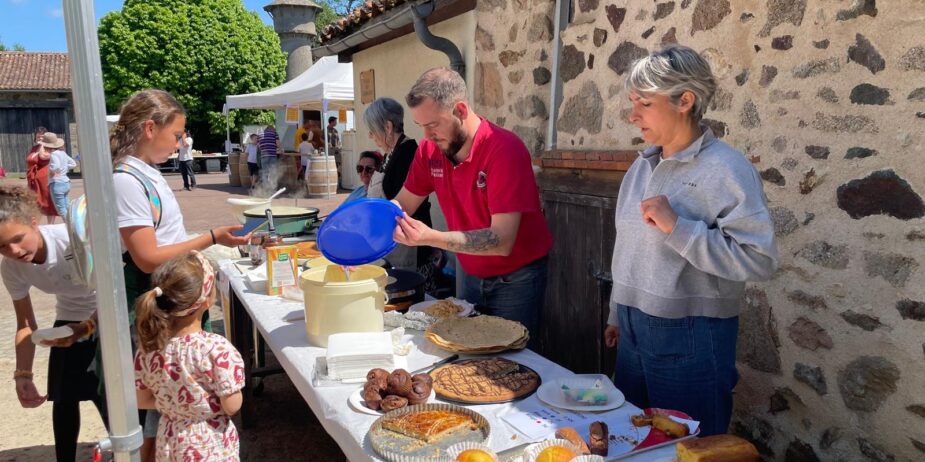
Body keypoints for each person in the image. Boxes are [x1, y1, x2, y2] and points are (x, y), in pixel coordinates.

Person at [604, 45, 778, 436]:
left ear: (686, 100)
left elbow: (759, 259)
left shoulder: (728, 168)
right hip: (631, 331)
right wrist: (619, 310)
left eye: (644, 104)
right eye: (633, 103)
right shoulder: (641, 165)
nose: (633, 115)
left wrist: (678, 227)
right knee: (631, 438)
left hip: (692, 335)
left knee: (690, 448)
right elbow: (627, 245)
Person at [109, 89, 250, 460]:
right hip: (157, 291)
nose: (180, 143)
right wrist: (212, 237)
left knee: (170, 383)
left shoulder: (146, 173)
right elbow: (147, 256)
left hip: (173, 290)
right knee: (159, 397)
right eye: (176, 136)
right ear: (150, 128)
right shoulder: (126, 180)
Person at [392, 68, 553, 347]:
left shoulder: (504, 149)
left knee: (511, 360)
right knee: (465, 351)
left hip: (516, 277)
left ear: (461, 110)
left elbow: (501, 240)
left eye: (433, 124)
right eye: (421, 127)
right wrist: (368, 224)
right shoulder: (430, 150)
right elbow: (402, 203)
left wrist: (430, 237)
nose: (428, 136)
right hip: (469, 270)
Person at [0, 185, 106, 462]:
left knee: (107, 394)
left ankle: (133, 451)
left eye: (18, 238)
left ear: (34, 223)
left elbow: (117, 290)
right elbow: (26, 324)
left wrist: (87, 328)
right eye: (1, 246)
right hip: (69, 319)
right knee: (63, 397)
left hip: (107, 313)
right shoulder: (11, 268)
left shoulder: (71, 239)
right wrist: (23, 374)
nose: (13, 250)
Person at [134, 251, 244, 461]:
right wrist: (200, 407)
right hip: (209, 443)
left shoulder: (148, 348)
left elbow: (142, 399)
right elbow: (232, 405)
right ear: (206, 301)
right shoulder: (216, 348)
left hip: (170, 438)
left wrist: (175, 406)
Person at [364, 97, 434, 280]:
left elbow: (402, 208)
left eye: (372, 130)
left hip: (410, 250)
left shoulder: (407, 155)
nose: (370, 136)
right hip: (392, 243)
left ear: (387, 127)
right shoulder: (390, 154)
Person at [25, 126, 58, 223]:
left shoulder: (48, 148)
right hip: (33, 179)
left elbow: (43, 157)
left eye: (42, 136)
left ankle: (50, 225)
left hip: (44, 178)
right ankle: (34, 225)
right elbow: (29, 160)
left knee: (47, 201)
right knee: (33, 202)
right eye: (38, 136)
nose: (40, 138)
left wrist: (42, 145)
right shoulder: (34, 148)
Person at [45, 133, 77, 219]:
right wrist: (65, 168)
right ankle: (73, 224)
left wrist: (51, 171)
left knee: (61, 209)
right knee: (67, 206)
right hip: (66, 182)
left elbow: (56, 166)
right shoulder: (63, 153)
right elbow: (73, 164)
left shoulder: (54, 154)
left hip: (57, 183)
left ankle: (70, 227)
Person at [259, 125, 280, 189]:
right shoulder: (274, 133)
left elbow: (259, 146)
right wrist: (281, 149)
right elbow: (278, 143)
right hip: (272, 155)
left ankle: (265, 189)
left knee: (265, 173)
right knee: (273, 172)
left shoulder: (260, 134)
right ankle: (273, 188)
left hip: (263, 156)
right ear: (272, 129)